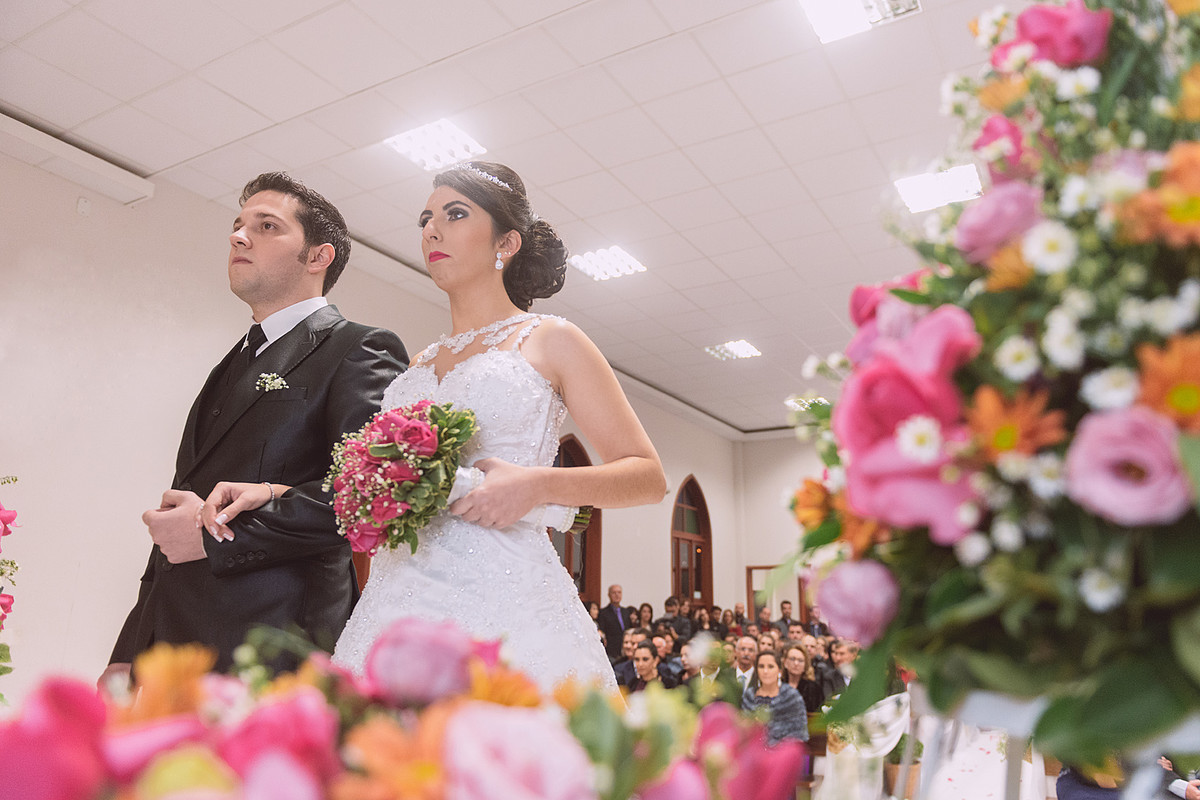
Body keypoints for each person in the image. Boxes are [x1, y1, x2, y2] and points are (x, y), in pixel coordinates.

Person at [203, 161, 667, 693]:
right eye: (426, 218)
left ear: (506, 241)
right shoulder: (418, 364)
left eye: (455, 213)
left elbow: (647, 476)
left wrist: (537, 483)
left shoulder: (551, 340)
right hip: (397, 598)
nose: (431, 229)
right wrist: (272, 492)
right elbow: (387, 482)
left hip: (505, 596)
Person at [102, 173, 408, 687]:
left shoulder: (359, 349)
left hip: (275, 641)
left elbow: (364, 496)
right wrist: (131, 646)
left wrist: (215, 536)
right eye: (239, 225)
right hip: (174, 648)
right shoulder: (230, 364)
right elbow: (183, 506)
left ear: (318, 257)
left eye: (267, 226)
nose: (238, 237)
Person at [742, 650, 809, 746]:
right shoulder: (749, 696)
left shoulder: (791, 696)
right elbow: (743, 733)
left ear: (779, 671)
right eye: (761, 666)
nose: (765, 671)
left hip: (783, 755)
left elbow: (799, 735)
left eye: (770, 666)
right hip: (754, 753)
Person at [781, 643, 825, 713]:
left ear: (805, 666)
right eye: (792, 659)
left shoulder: (814, 688)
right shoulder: (777, 685)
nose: (796, 663)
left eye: (800, 660)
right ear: (785, 663)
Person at [597, 583, 634, 661]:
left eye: (619, 592)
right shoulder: (603, 613)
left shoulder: (626, 612)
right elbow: (602, 631)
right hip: (611, 651)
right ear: (609, 595)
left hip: (626, 649)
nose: (617, 595)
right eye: (614, 593)